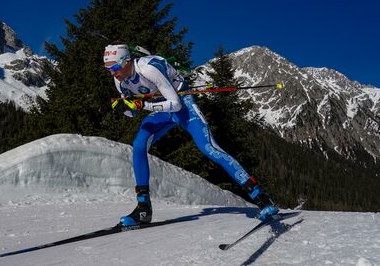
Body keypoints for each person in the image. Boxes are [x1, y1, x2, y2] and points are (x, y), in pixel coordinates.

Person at [103, 44, 279, 226]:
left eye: (114, 67)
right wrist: (124, 108)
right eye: (108, 68)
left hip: (183, 105)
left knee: (210, 149)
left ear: (127, 62)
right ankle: (143, 208)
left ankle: (260, 197)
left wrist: (143, 106)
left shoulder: (149, 68)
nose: (112, 73)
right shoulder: (120, 81)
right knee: (139, 145)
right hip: (163, 109)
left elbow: (175, 104)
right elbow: (132, 112)